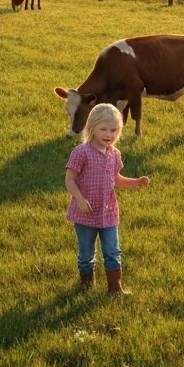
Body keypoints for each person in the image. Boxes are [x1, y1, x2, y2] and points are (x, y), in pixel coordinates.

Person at [65, 103, 150, 295]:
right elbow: (69, 180)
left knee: (113, 251)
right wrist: (78, 199)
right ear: (92, 128)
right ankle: (86, 285)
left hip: (108, 212)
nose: (109, 134)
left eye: (114, 130)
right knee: (86, 254)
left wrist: (136, 182)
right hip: (84, 213)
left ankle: (115, 288)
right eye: (103, 129)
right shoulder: (81, 152)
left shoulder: (114, 154)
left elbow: (116, 179)